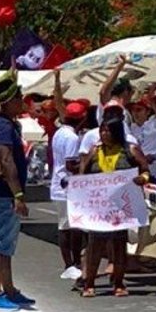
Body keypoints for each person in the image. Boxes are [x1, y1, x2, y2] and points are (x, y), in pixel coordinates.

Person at [78, 115, 151, 297]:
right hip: (99, 206)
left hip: (121, 205)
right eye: (102, 130)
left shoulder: (130, 150)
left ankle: (118, 282)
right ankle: (89, 283)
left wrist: (143, 179)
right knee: (95, 244)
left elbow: (146, 169)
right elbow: (83, 172)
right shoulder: (95, 151)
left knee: (119, 245)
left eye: (108, 130)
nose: (104, 134)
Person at [0, 75, 35, 312]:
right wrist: (19, 195)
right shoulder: (2, 126)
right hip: (3, 194)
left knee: (6, 245)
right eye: (19, 97)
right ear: (9, 101)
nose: (22, 101)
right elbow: (5, 159)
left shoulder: (3, 122)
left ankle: (9, 290)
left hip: (3, 194)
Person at [50, 96, 88, 285]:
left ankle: (71, 263)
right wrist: (87, 163)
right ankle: (71, 263)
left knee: (66, 226)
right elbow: (71, 163)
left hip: (59, 184)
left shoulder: (59, 133)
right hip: (67, 186)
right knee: (71, 227)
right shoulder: (72, 137)